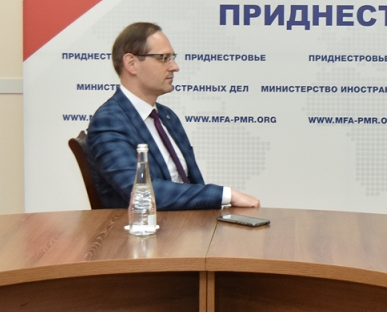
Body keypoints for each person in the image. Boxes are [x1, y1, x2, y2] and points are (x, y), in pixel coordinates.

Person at [85, 22, 260, 211]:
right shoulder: (109, 122)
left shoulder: (167, 116)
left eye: (172, 58)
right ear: (132, 64)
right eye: (164, 58)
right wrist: (226, 195)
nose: (175, 67)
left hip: (189, 222)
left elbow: (192, 183)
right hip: (147, 228)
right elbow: (142, 193)